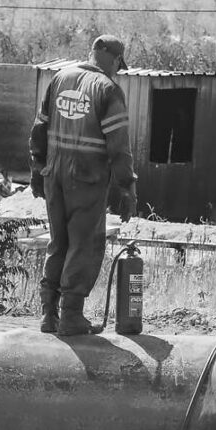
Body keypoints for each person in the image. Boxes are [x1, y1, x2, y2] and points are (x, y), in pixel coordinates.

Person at [28, 34, 138, 336]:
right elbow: (118, 146)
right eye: (118, 64)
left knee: (58, 242)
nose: (118, 69)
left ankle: (48, 315)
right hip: (86, 177)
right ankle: (71, 316)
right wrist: (127, 186)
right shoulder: (109, 89)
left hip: (55, 174)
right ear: (115, 60)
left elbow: (39, 127)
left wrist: (38, 170)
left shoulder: (59, 78)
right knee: (84, 244)